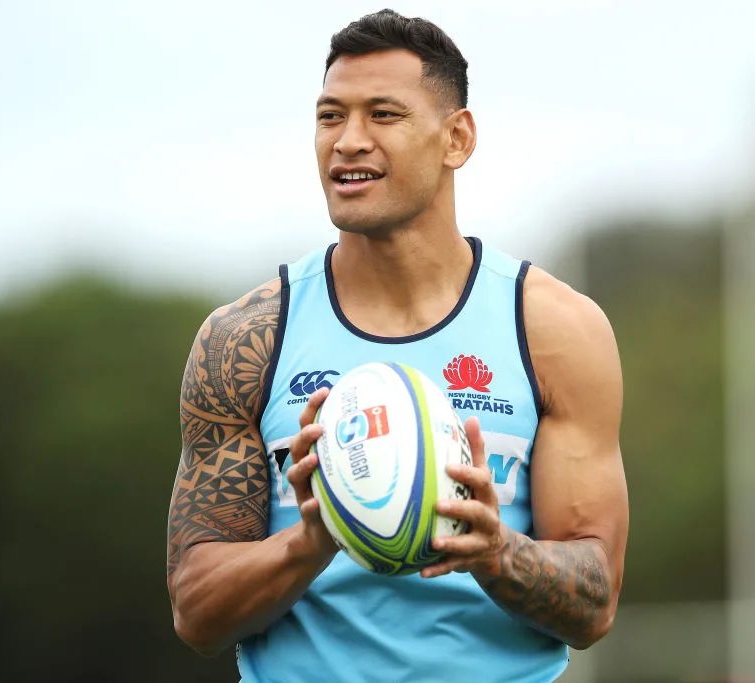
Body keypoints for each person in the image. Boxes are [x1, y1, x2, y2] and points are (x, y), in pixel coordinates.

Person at [166, 9, 628, 683]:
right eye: (330, 117)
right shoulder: (245, 339)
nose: (348, 141)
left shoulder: (554, 330)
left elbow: (595, 602)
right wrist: (310, 542)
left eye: (383, 115)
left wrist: (495, 551)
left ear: (457, 138)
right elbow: (195, 611)